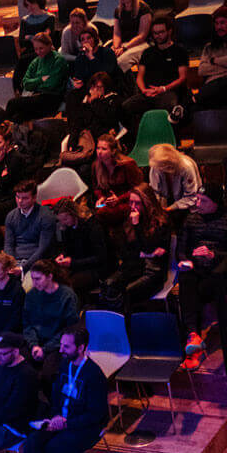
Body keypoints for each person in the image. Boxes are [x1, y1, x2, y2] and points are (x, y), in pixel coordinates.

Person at [18, 325, 110, 453]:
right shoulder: (63, 365)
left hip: (84, 429)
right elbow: (56, 397)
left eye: (66, 347)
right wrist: (53, 418)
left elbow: (97, 415)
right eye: (61, 345)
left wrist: (66, 423)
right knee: (31, 443)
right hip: (60, 422)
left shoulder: (94, 375)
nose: (61, 350)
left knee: (41, 449)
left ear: (81, 347)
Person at [175, 183, 227, 354]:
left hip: (223, 271)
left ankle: (193, 337)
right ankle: (193, 334)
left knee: (195, 290)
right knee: (186, 278)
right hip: (197, 268)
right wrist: (186, 261)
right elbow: (181, 250)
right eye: (197, 199)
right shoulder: (191, 220)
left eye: (203, 201)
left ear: (215, 203)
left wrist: (214, 255)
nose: (198, 204)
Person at [98, 185, 169, 316]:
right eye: (131, 202)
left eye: (137, 203)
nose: (133, 206)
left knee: (127, 293)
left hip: (152, 271)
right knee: (107, 286)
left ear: (147, 203)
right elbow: (126, 252)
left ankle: (127, 325)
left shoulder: (160, 222)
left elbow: (147, 248)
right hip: (134, 266)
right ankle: (114, 325)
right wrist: (144, 253)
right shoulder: (128, 219)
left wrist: (136, 226)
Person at [121, 13, 190, 135]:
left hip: (169, 92)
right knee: (125, 108)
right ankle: (138, 138)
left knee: (169, 106)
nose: (158, 36)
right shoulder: (147, 52)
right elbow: (140, 76)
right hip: (148, 93)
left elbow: (182, 77)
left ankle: (171, 141)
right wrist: (144, 90)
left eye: (161, 32)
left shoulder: (180, 51)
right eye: (155, 33)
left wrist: (163, 89)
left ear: (169, 31)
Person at [23, 259, 80, 384]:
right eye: (32, 279)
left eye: (38, 279)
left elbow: (69, 328)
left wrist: (46, 349)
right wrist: (34, 345)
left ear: (50, 277)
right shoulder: (32, 295)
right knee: (19, 368)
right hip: (36, 343)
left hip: (58, 345)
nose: (34, 282)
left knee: (48, 376)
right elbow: (27, 325)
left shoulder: (67, 295)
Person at [61, 71, 120, 176]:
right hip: (85, 140)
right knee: (69, 164)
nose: (95, 90)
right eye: (93, 87)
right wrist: (73, 140)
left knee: (84, 169)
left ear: (106, 87)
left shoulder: (113, 100)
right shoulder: (87, 101)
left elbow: (107, 119)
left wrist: (95, 102)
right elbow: (78, 121)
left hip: (100, 140)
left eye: (99, 87)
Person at [6, 30, 69, 123]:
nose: (38, 52)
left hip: (52, 98)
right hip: (38, 96)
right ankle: (5, 133)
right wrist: (41, 79)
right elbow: (26, 83)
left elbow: (52, 84)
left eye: (41, 48)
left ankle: (2, 128)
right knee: (18, 117)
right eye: (36, 49)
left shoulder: (58, 60)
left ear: (49, 45)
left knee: (13, 103)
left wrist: (35, 83)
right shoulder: (36, 61)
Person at [52, 198, 106, 297]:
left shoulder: (92, 226)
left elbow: (100, 257)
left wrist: (73, 263)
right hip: (77, 265)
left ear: (74, 214)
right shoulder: (67, 228)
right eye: (61, 220)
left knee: (67, 286)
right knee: (52, 280)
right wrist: (62, 255)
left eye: (65, 219)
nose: (63, 222)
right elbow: (66, 247)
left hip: (95, 268)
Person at [92, 131, 143, 229]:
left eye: (104, 149)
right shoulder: (96, 165)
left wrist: (119, 199)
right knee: (97, 214)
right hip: (109, 201)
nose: (99, 152)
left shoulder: (127, 164)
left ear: (113, 151)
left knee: (105, 214)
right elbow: (96, 186)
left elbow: (138, 190)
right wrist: (101, 197)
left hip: (128, 201)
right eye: (98, 148)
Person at [195, 6, 227, 109]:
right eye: (216, 23)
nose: (218, 27)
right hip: (212, 88)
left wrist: (214, 60)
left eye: (222, 23)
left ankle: (191, 102)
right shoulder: (209, 47)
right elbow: (202, 70)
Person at [3, 181, 56, 272]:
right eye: (18, 197)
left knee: (29, 285)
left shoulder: (46, 216)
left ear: (34, 198)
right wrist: (11, 264)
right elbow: (8, 244)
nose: (20, 201)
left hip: (36, 263)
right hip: (15, 262)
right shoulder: (11, 216)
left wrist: (22, 268)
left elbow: (43, 249)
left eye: (25, 198)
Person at [148, 143, 201, 225]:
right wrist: (157, 208)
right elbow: (154, 191)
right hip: (167, 201)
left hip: (188, 205)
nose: (157, 170)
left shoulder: (186, 167)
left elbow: (191, 197)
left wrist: (170, 208)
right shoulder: (156, 165)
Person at [111, 0, 152, 72]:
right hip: (123, 44)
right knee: (109, 59)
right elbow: (117, 33)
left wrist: (125, 48)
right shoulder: (118, 10)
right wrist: (116, 47)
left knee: (120, 62)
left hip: (141, 44)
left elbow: (142, 36)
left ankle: (129, 85)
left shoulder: (143, 9)